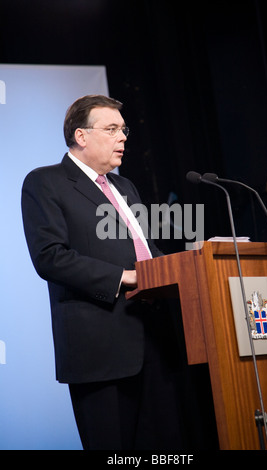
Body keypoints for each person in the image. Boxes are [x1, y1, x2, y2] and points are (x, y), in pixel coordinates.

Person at [21, 95, 186, 450]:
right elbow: (50, 257)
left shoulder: (125, 187)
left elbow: (146, 250)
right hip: (101, 350)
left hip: (156, 343)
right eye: (112, 129)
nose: (123, 137)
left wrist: (187, 264)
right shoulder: (45, 183)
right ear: (81, 136)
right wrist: (123, 277)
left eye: (123, 129)